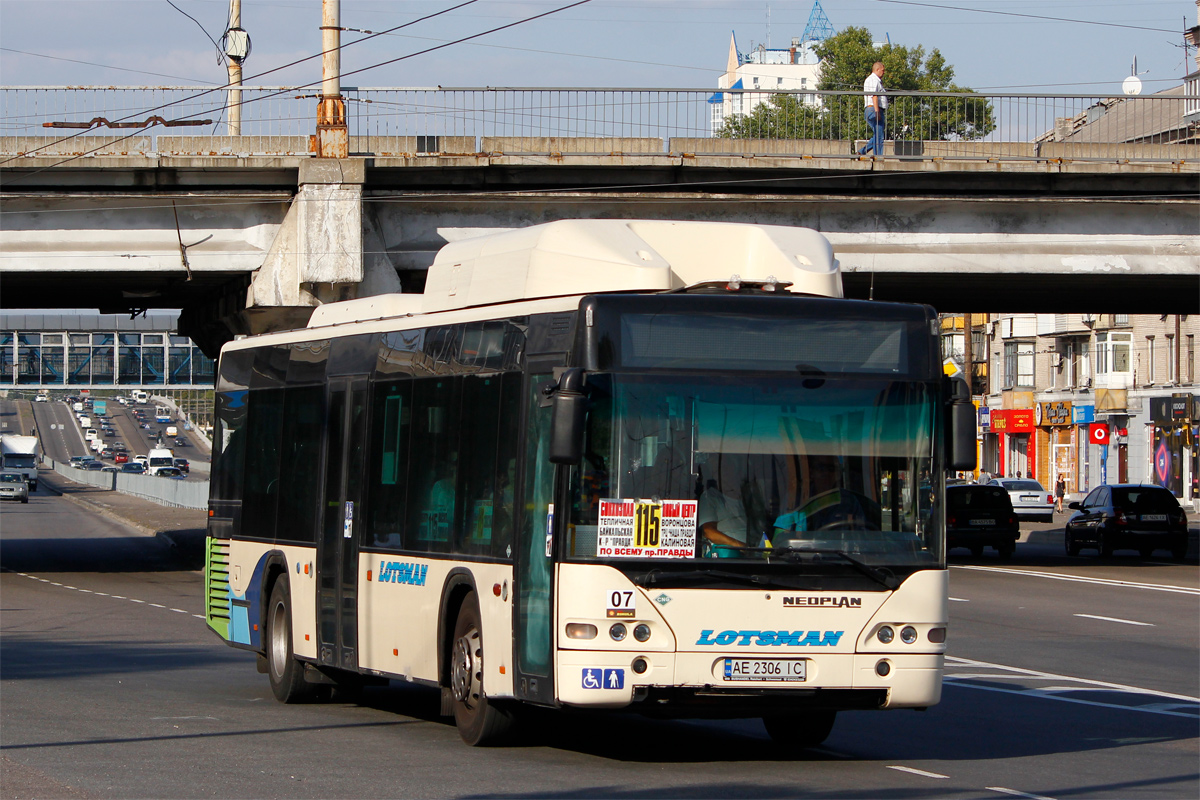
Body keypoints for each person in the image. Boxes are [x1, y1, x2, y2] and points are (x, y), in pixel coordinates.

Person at [857, 62, 887, 156]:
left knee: (878, 134)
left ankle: (862, 151)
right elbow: (874, 95)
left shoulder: (873, 79)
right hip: (874, 109)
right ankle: (878, 156)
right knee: (879, 136)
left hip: (872, 109)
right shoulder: (874, 79)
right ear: (877, 69)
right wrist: (877, 111)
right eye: (882, 70)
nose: (884, 72)